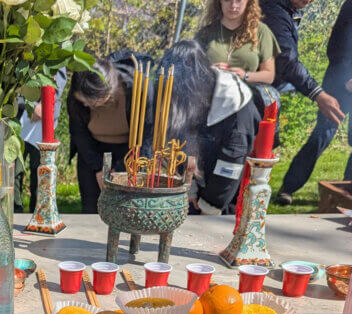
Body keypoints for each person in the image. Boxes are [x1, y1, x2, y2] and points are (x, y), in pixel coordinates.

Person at [160, 40, 261, 215]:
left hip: (233, 181)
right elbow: (181, 138)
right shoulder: (194, 92)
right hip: (204, 172)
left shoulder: (235, 109)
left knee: (221, 223)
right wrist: (189, 187)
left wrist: (210, 207)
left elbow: (230, 167)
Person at [261, 0, 346, 199]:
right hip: (255, 93)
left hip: (265, 93)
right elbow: (287, 59)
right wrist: (319, 92)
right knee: (322, 133)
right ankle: (286, 189)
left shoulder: (285, 10)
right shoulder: (274, 11)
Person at [67, 51, 154, 213]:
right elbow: (79, 134)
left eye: (90, 103)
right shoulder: (77, 94)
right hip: (92, 150)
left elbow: (147, 136)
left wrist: (121, 169)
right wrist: (99, 168)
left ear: (109, 91)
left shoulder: (139, 89)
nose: (85, 106)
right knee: (92, 207)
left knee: (125, 208)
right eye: (82, 101)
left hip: (130, 151)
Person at [14, 68, 68, 213]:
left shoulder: (59, 47)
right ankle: (14, 212)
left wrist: (46, 106)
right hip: (17, 115)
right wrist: (29, 105)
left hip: (45, 117)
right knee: (14, 169)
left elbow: (59, 78)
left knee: (40, 170)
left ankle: (39, 213)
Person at [196, 0, 280, 86]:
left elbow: (269, 76)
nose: (233, 5)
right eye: (227, 0)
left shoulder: (261, 31)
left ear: (248, 2)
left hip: (248, 95)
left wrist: (245, 75)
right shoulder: (205, 33)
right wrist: (210, 71)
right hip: (210, 93)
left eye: (239, 1)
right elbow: (190, 71)